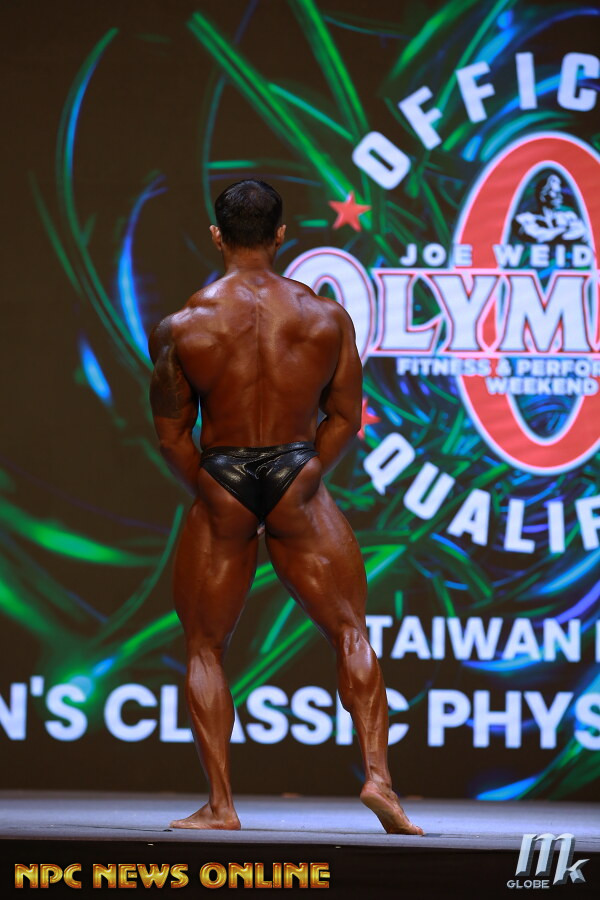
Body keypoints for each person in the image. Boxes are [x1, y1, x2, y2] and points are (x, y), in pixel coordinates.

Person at [148, 180, 423, 836]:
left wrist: (211, 489)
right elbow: (346, 416)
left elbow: (171, 435)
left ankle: (222, 806)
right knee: (350, 630)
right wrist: (305, 475)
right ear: (280, 235)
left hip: (222, 474)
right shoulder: (325, 318)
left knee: (205, 646)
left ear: (217, 236)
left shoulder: (182, 326)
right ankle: (379, 780)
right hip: (296, 469)